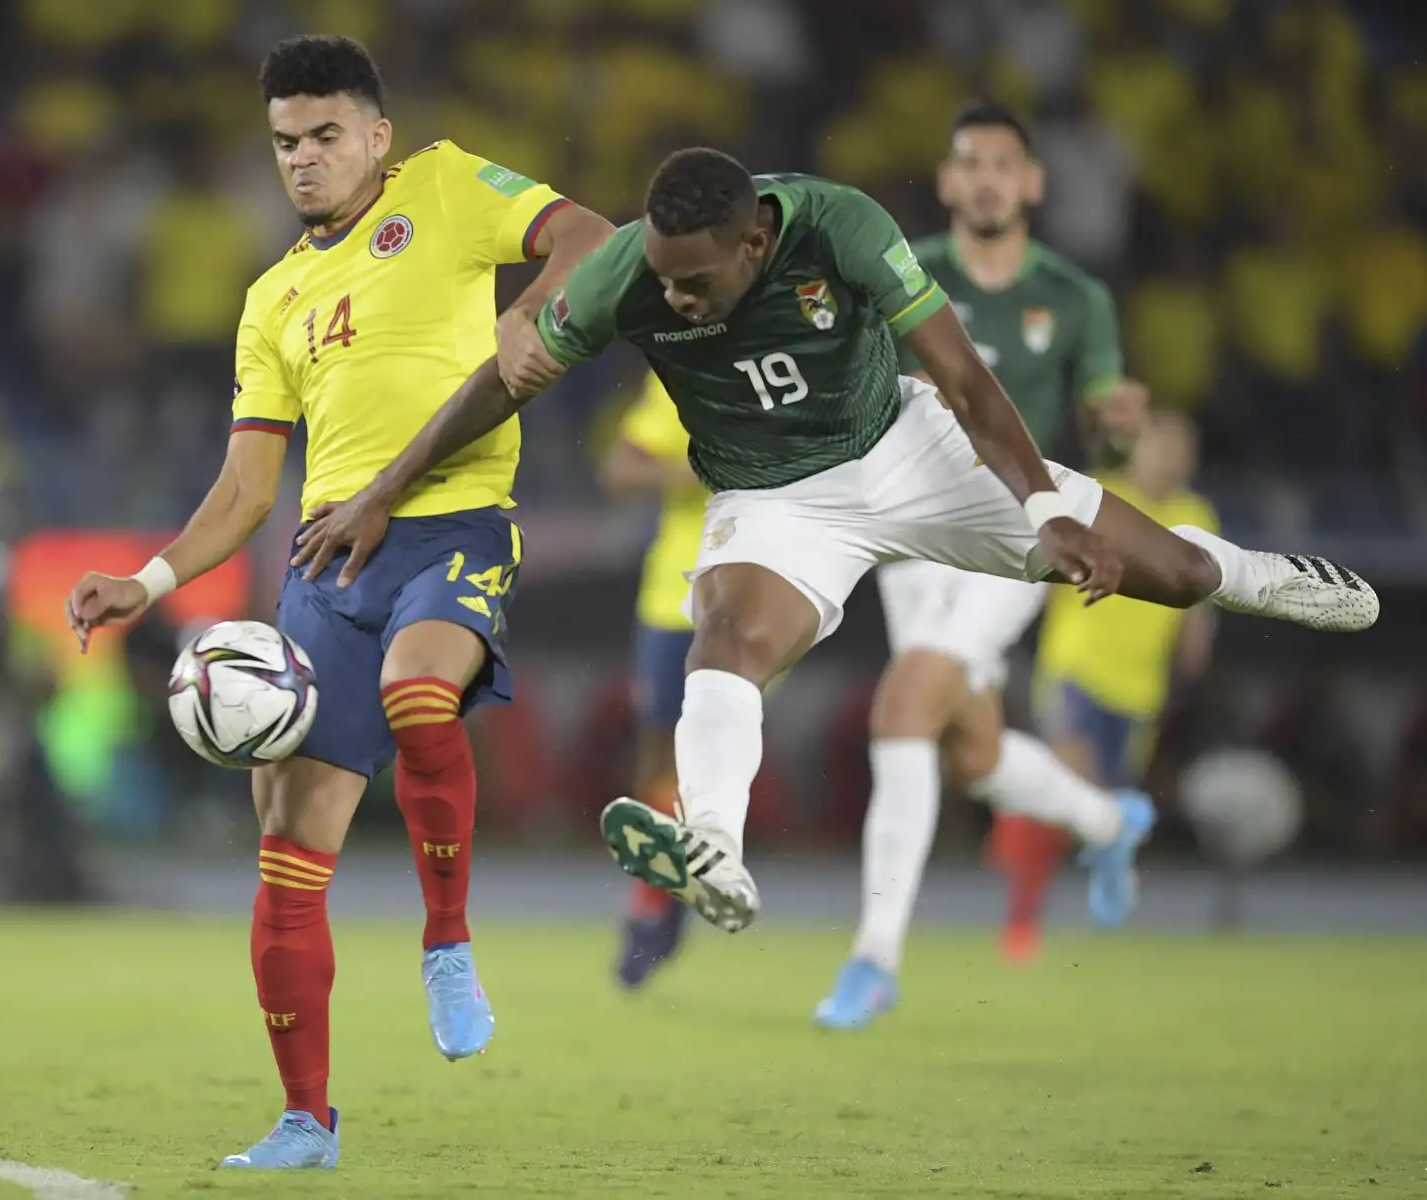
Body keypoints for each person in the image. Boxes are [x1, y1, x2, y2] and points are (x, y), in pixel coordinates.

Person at [292, 146, 1377, 985]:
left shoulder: (842, 225)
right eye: (660, 283)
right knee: (728, 638)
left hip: (912, 452)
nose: (670, 300)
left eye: (694, 282)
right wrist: (381, 495)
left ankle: (1265, 577)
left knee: (1177, 575)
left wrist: (1042, 505)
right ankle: (712, 841)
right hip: (773, 500)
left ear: (756, 245)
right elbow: (495, 384)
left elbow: (960, 375)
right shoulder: (628, 272)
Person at [62, 36, 613, 1170]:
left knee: (422, 692)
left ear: (376, 134)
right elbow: (247, 489)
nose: (303, 160)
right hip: (327, 566)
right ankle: (307, 1120)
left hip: (455, 526)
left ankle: (447, 941)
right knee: (287, 845)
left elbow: (590, 239)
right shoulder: (273, 299)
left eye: (323, 136)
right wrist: (152, 580)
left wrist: (538, 315)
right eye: (283, 144)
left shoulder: (450, 185)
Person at [829, 100, 1152, 1027]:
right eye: (970, 163)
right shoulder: (905, 272)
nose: (986, 179)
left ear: (1033, 185)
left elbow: (1106, 439)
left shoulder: (1077, 298)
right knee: (968, 750)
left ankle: (873, 957)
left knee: (905, 703)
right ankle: (1107, 821)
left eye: (1003, 165)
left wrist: (1117, 431)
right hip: (907, 537)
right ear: (947, 181)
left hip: (1012, 539)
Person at [1002, 409, 1219, 951]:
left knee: (1101, 807)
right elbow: (1050, 575)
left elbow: (1199, 595)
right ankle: (1023, 923)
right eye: (1160, 444)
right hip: (1076, 669)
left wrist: (1197, 642)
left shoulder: (1196, 513)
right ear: (1136, 450)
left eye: (1180, 447)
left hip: (1139, 688)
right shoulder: (1102, 497)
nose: (1171, 457)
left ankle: (1103, 880)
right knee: (1070, 789)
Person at [599, 373, 710, 987]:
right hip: (672, 592)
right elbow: (620, 467)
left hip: (756, 589)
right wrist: (702, 471)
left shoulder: (784, 362)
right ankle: (656, 895)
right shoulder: (677, 373)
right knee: (657, 759)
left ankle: (672, 887)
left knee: (709, 754)